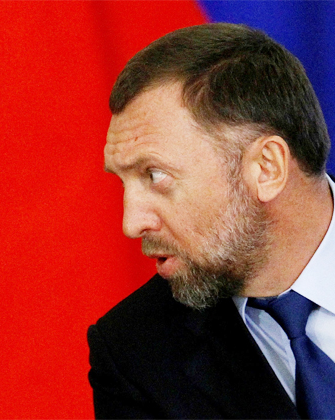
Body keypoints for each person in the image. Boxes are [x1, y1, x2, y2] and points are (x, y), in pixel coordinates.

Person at [88, 23, 335, 418]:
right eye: (123, 181)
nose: (131, 224)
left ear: (266, 168)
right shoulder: (135, 354)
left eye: (155, 175)